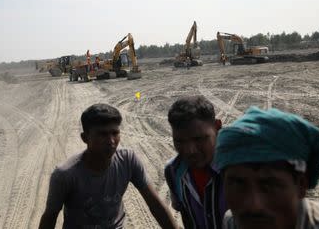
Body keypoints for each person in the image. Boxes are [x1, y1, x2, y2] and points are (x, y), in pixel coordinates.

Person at [39, 103, 178, 229]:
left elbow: (155, 203)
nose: (111, 141)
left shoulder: (128, 160)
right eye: (102, 134)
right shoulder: (65, 174)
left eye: (115, 133)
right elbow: (50, 217)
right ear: (85, 138)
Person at [215, 107, 319, 229]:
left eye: (270, 185)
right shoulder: (232, 222)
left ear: (301, 185)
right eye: (238, 184)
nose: (254, 206)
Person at [165, 95, 226, 229]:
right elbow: (186, 215)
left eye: (199, 139)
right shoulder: (173, 171)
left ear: (217, 127)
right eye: (180, 141)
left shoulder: (238, 166)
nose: (190, 151)